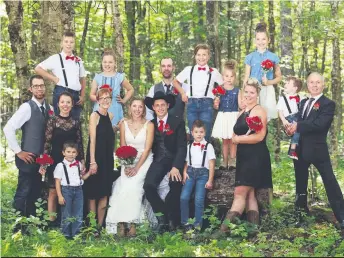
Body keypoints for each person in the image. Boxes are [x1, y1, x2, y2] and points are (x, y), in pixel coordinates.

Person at [287, 72, 344, 236]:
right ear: (307, 84)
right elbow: (298, 120)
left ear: (323, 84)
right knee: (300, 182)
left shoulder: (328, 104)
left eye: (318, 82)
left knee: (330, 181)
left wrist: (298, 126)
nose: (314, 85)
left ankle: (341, 217)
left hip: (318, 150)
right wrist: (290, 127)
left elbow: (320, 125)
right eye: (311, 82)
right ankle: (300, 215)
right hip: (299, 148)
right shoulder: (303, 102)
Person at [219, 78, 272, 233]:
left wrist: (239, 139)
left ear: (257, 94)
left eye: (252, 92)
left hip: (255, 156)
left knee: (239, 193)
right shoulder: (242, 111)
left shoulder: (259, 110)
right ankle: (253, 230)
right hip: (243, 156)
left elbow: (260, 136)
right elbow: (235, 133)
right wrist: (235, 141)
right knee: (249, 195)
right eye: (246, 92)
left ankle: (223, 231)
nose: (248, 95)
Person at [3, 75, 51, 228]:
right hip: (27, 159)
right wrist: (18, 151)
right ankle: (17, 227)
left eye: (41, 85)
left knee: (35, 193)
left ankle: (30, 225)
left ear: (45, 87)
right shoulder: (26, 107)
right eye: (36, 86)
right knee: (23, 191)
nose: (39, 88)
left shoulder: (49, 108)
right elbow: (8, 128)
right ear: (31, 89)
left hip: (41, 161)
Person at [106, 98, 154, 237]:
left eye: (140, 107)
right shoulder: (123, 123)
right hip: (127, 160)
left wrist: (136, 168)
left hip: (143, 161)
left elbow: (147, 149)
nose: (137, 109)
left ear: (144, 109)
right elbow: (122, 147)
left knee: (134, 188)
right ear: (130, 108)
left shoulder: (149, 125)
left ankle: (133, 224)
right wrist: (127, 165)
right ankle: (121, 224)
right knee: (121, 187)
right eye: (134, 106)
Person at [39, 91, 85, 226]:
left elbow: (79, 142)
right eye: (62, 102)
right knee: (53, 191)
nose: (65, 105)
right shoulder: (52, 120)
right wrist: (44, 163)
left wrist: (82, 161)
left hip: (72, 160)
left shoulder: (76, 122)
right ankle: (52, 223)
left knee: (70, 191)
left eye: (68, 102)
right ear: (58, 104)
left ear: (72, 105)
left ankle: (67, 222)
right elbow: (47, 143)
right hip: (54, 160)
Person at [144, 91, 187, 232]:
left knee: (175, 185)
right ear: (153, 108)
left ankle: (174, 222)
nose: (160, 108)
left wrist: (176, 166)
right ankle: (163, 220)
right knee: (148, 186)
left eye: (163, 105)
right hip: (158, 160)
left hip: (174, 160)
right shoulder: (150, 124)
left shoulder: (177, 121)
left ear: (168, 105)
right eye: (157, 105)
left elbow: (181, 147)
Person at [173, 44, 224, 140]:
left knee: (206, 132)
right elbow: (175, 82)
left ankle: (206, 153)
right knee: (193, 133)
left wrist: (217, 96)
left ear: (208, 56)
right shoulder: (189, 70)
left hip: (207, 104)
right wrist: (183, 93)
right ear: (195, 56)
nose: (201, 57)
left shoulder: (213, 71)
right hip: (191, 104)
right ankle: (193, 153)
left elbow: (223, 85)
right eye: (198, 54)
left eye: (204, 54)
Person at [35, 31, 86, 119]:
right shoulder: (55, 58)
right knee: (60, 123)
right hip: (61, 92)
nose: (69, 44)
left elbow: (82, 78)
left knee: (75, 124)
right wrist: (53, 78)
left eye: (71, 42)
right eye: (66, 41)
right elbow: (38, 68)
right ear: (61, 43)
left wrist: (82, 94)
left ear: (74, 44)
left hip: (76, 96)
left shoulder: (78, 60)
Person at [83, 87, 115, 230]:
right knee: (92, 194)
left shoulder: (111, 116)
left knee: (104, 193)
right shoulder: (94, 116)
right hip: (96, 158)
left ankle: (100, 227)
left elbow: (110, 136)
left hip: (108, 160)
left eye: (108, 98)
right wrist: (92, 162)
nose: (105, 101)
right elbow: (93, 140)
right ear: (98, 100)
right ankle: (92, 226)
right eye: (102, 98)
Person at [180, 120, 215, 231]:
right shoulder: (189, 145)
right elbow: (186, 161)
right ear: (192, 133)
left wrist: (210, 180)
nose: (199, 134)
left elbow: (212, 164)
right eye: (196, 132)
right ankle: (185, 223)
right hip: (190, 172)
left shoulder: (208, 146)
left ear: (205, 133)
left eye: (201, 132)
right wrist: (184, 172)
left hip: (203, 174)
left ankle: (197, 225)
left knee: (199, 199)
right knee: (184, 197)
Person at [243, 22, 282, 121]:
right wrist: (244, 93)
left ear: (268, 40)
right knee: (253, 116)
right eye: (258, 39)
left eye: (264, 39)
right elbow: (246, 77)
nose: (261, 42)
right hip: (253, 90)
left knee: (265, 117)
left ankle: (264, 135)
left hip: (267, 90)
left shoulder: (273, 57)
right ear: (255, 41)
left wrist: (269, 82)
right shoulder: (250, 57)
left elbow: (279, 77)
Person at [54, 142, 92, 239]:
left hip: (79, 191)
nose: (71, 154)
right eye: (68, 152)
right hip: (67, 191)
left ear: (77, 153)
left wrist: (89, 173)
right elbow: (57, 182)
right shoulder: (60, 166)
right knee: (66, 214)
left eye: (73, 152)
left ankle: (76, 236)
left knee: (78, 214)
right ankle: (65, 235)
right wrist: (60, 196)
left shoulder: (78, 164)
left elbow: (81, 179)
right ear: (63, 153)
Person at [89, 48, 134, 129]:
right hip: (100, 109)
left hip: (115, 108)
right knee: (99, 132)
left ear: (115, 63)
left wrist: (124, 100)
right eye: (105, 62)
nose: (107, 64)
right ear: (102, 63)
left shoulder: (119, 77)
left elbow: (131, 89)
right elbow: (91, 95)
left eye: (110, 62)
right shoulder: (98, 77)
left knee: (112, 133)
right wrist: (99, 98)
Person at [212, 60, 243, 169]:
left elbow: (240, 105)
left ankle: (232, 161)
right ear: (223, 77)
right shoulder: (219, 91)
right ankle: (224, 161)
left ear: (235, 77)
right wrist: (216, 103)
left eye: (231, 76)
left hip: (233, 116)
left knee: (233, 140)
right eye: (226, 76)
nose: (229, 78)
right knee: (225, 140)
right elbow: (216, 106)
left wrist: (245, 103)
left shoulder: (238, 90)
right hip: (223, 116)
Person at [277, 76, 303, 160]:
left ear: (295, 88)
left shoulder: (301, 98)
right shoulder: (282, 98)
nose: (285, 84)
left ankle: (295, 150)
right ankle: (292, 150)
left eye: (288, 83)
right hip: (288, 119)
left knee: (300, 130)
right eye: (286, 83)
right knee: (297, 130)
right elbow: (280, 111)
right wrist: (284, 121)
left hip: (298, 118)